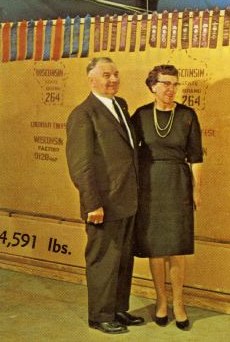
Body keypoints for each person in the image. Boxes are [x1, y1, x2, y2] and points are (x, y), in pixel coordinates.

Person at [66, 57, 144, 334]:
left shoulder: (120, 105)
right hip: (103, 205)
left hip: (126, 200)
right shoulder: (82, 114)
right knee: (103, 261)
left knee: (123, 260)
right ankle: (99, 316)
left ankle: (118, 310)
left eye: (115, 74)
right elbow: (81, 165)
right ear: (92, 81)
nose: (113, 80)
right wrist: (93, 203)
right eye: (106, 75)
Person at [133, 64, 203, 331]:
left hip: (178, 184)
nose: (171, 89)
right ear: (153, 86)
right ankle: (161, 302)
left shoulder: (187, 115)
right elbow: (129, 154)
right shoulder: (140, 116)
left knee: (176, 247)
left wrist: (196, 190)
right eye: (165, 83)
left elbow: (196, 157)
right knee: (156, 247)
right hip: (149, 185)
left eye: (175, 84)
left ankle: (179, 303)